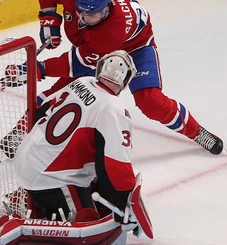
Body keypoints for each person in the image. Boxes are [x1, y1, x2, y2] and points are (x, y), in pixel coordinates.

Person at [0, 0, 224, 159]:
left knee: (150, 101)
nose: (83, 19)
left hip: (136, 46)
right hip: (94, 47)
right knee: (62, 92)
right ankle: (21, 131)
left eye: (91, 15)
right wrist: (49, 18)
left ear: (106, 10)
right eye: (80, 11)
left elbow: (75, 64)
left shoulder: (111, 30)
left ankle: (196, 132)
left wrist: (39, 69)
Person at [16, 50, 137, 223]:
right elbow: (115, 165)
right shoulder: (113, 109)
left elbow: (40, 112)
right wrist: (123, 205)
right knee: (86, 222)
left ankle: (24, 197)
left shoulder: (81, 82)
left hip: (26, 158)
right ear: (125, 81)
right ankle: (46, 209)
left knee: (94, 173)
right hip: (49, 179)